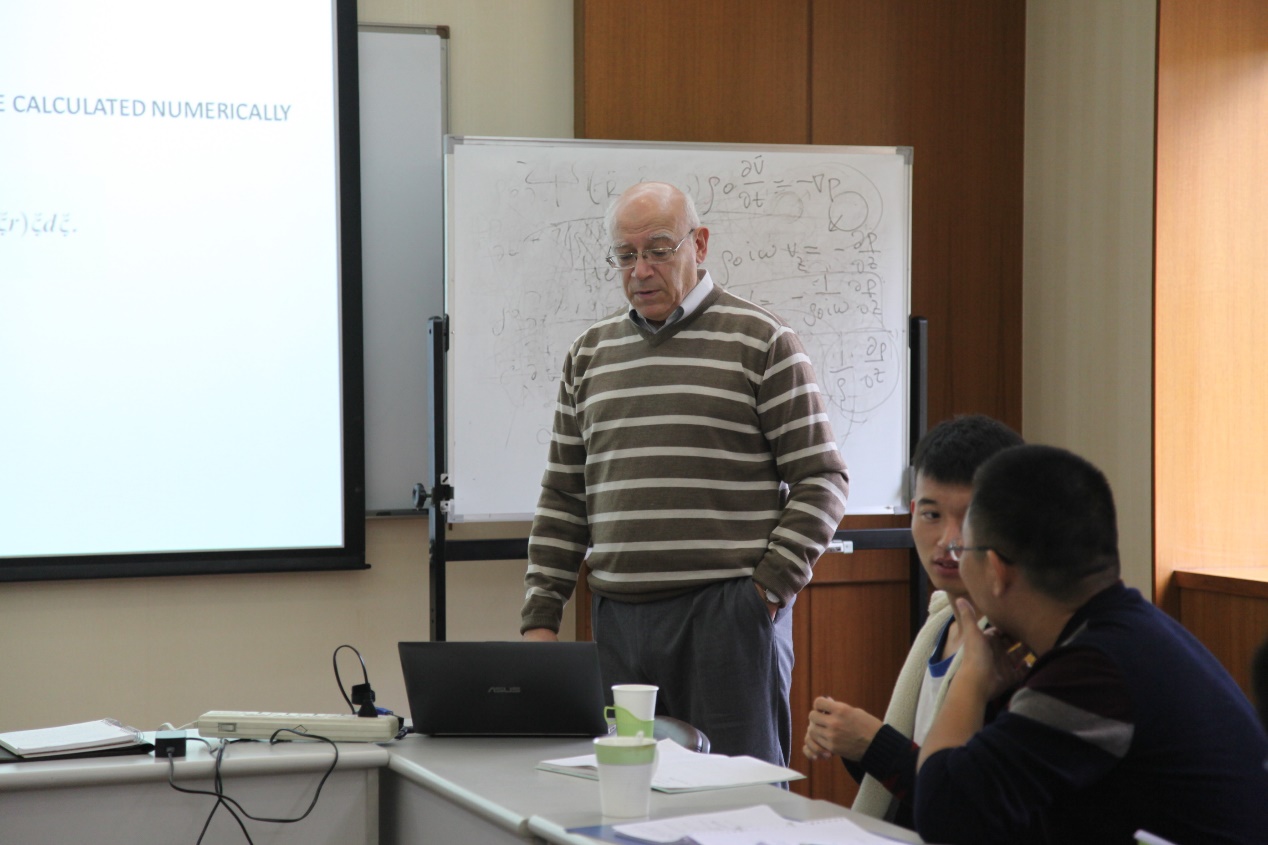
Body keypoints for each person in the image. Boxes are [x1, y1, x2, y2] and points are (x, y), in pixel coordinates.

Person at [519, 181, 849, 766]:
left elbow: (822, 479)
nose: (641, 270)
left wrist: (765, 594)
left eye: (658, 249)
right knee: (627, 791)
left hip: (726, 618)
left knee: (738, 796)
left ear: (699, 244)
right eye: (626, 255)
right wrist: (541, 619)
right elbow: (565, 498)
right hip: (617, 621)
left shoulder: (763, 342)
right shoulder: (589, 355)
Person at [914, 445, 1268, 845]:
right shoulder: (1127, 633)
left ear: (996, 570)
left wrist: (970, 679)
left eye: (963, 550)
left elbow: (943, 813)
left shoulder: (1094, 671)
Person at [802, 414, 1022, 828]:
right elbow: (907, 791)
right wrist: (852, 742)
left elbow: (967, 807)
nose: (948, 541)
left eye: (969, 518)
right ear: (913, 512)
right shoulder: (940, 624)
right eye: (932, 515)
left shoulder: (1011, 649)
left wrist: (873, 744)